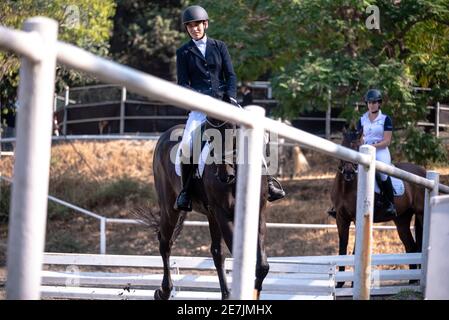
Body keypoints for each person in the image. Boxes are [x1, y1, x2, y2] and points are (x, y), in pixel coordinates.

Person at [174, 5, 285, 211]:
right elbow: (183, 84)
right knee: (188, 145)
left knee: (259, 133)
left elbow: (230, 75)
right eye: (190, 26)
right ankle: (186, 192)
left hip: (226, 103)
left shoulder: (219, 46)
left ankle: (268, 182)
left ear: (205, 24)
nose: (194, 28)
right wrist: (200, 101)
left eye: (197, 24)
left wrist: (230, 97)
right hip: (200, 108)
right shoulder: (183, 52)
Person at [356, 89, 397, 217]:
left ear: (379, 104)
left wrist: (372, 146)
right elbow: (360, 137)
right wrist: (361, 143)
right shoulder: (362, 120)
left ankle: (390, 203)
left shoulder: (385, 119)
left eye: (374, 102)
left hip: (380, 151)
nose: (371, 105)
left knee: (383, 174)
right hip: (365, 151)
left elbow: (387, 141)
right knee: (351, 171)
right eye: (369, 102)